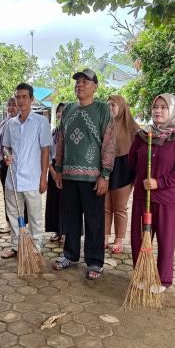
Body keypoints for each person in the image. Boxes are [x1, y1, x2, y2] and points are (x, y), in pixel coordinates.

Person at [54, 69, 115, 280]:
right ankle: (70, 255)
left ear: (95, 87)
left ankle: (95, 261)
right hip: (69, 176)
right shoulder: (68, 109)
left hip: (93, 178)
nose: (79, 85)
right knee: (70, 219)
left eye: (85, 82)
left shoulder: (102, 109)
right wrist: (59, 170)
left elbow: (109, 143)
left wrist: (105, 174)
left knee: (94, 221)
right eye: (77, 82)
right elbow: (60, 141)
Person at [129, 93, 175, 293]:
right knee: (139, 237)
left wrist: (159, 182)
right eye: (155, 107)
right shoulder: (142, 136)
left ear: (172, 110)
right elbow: (132, 162)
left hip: (166, 197)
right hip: (142, 195)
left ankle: (163, 279)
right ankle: (141, 272)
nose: (158, 111)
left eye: (164, 107)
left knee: (166, 239)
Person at [1, 82, 53, 258]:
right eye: (18, 97)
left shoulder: (41, 122)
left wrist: (44, 177)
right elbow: (6, 147)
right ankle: (16, 247)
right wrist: (6, 156)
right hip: (13, 179)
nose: (21, 100)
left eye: (24, 97)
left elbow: (45, 150)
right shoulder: (11, 124)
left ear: (31, 99)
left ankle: (36, 249)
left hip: (32, 179)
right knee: (14, 216)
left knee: (35, 217)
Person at [104, 95, 140, 253]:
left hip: (124, 169)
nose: (110, 107)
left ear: (122, 106)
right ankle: (104, 236)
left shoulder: (133, 128)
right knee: (104, 206)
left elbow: (140, 153)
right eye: (108, 105)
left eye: (113, 104)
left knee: (119, 207)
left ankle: (119, 239)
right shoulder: (103, 124)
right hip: (106, 167)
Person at [0, 96, 27, 234]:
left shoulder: (22, 123)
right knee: (7, 194)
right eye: (8, 105)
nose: (10, 108)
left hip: (17, 165)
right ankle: (9, 222)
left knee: (21, 194)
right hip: (4, 164)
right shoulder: (4, 123)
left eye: (13, 105)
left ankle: (23, 223)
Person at [45, 102, 66, 243]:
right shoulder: (52, 132)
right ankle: (57, 232)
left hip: (66, 170)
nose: (60, 113)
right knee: (54, 202)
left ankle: (65, 232)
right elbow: (46, 152)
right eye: (58, 111)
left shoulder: (69, 131)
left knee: (66, 203)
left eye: (63, 111)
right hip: (53, 169)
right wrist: (51, 171)